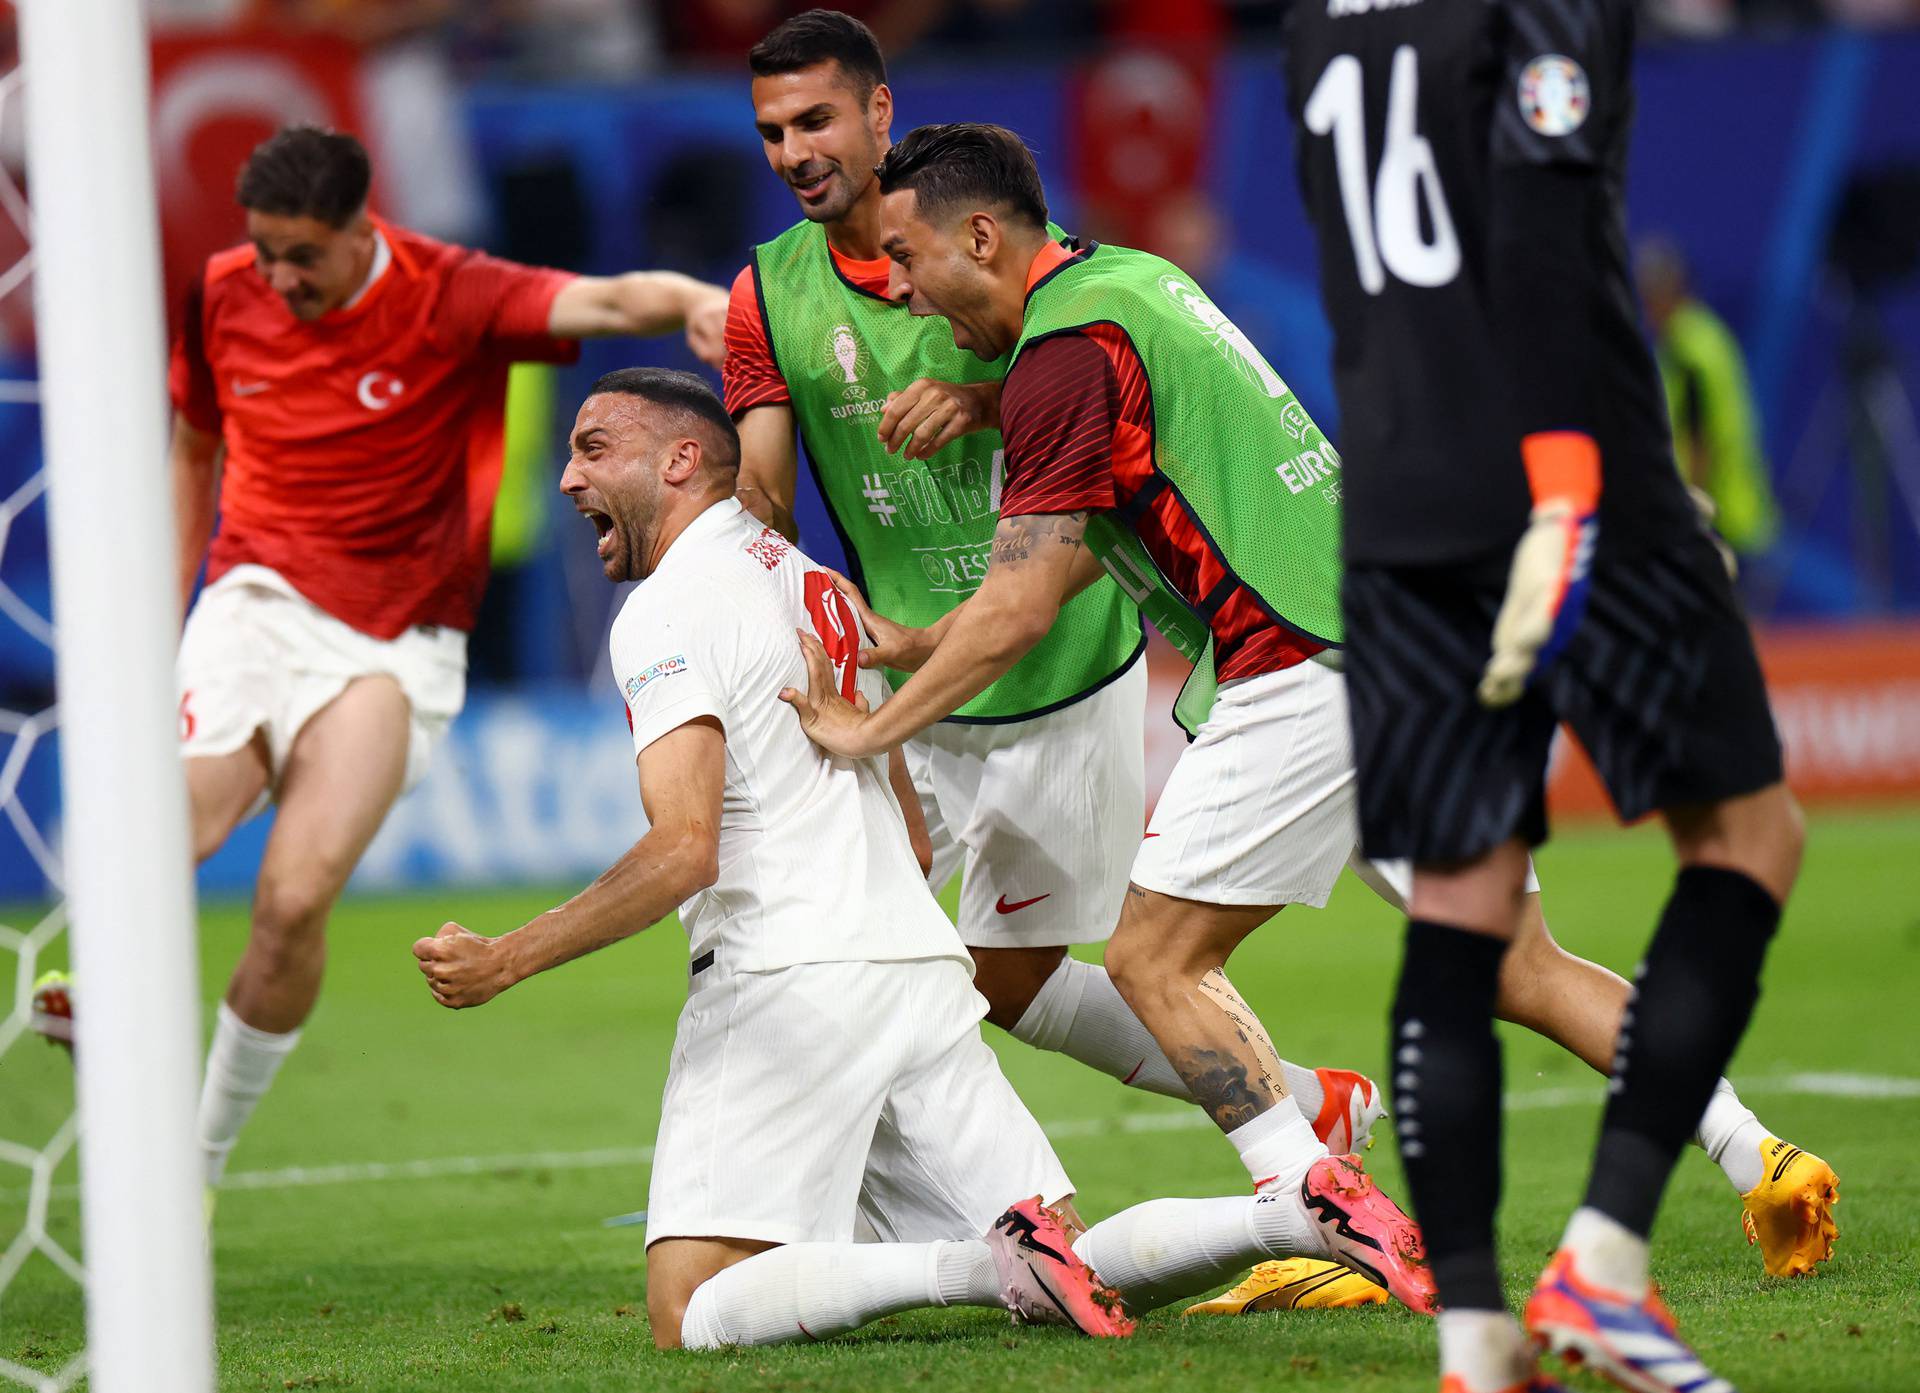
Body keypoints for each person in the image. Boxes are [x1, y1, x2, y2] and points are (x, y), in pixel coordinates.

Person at [775, 119, 1834, 1319]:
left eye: (911, 260)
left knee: (1153, 957)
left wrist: (874, 725)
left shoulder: (1062, 363)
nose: (905, 293)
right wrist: (984, 434)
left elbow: (1022, 601)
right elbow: (1102, 522)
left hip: (1309, 671)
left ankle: (1315, 1201)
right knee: (1517, 964)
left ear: (981, 233)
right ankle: (1763, 1158)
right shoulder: (1134, 285)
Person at [410, 367, 1441, 1347]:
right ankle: (1296, 1217)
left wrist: (509, 957)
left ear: (682, 461)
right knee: (1065, 1256)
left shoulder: (668, 611)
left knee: (693, 1308)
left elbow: (686, 848)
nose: (567, 476)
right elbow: (907, 824)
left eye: (595, 448)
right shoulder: (808, 581)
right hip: (915, 966)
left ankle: (978, 1265)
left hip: (787, 978)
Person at [725, 9, 1389, 1166]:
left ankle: (1274, 1161)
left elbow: (1087, 405)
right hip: (909, 657)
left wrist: (981, 404)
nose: (795, 152)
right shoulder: (764, 294)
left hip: (1058, 667)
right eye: (773, 131)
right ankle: (883, 1209)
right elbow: (767, 500)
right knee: (859, 944)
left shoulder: (1014, 256)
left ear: (881, 114)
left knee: (1024, 977)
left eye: (816, 119)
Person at [1282, 2, 1827, 1388]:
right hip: (1562, 481)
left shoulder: (1318, 24)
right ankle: (1604, 1265)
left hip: (1397, 496)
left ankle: (1476, 1337)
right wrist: (1575, 481)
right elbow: (1534, 219)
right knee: (1748, 836)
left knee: (1463, 902)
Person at [149, 125, 729, 1191]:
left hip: (395, 637)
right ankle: (95, 1006)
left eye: (302, 256)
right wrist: (156, 607)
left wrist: (694, 299)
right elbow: (193, 445)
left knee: (289, 903)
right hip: (254, 600)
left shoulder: (447, 291)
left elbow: (599, 300)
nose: (278, 277)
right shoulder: (221, 294)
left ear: (359, 227)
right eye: (265, 250)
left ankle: (194, 1163)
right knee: (165, 835)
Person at [1637, 237, 1780, 558]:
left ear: (1671, 290)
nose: (1647, 307)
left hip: (1714, 513)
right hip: (1729, 507)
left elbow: (1699, 435)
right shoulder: (1706, 334)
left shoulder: (1688, 348)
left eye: (1652, 295)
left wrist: (1690, 509)